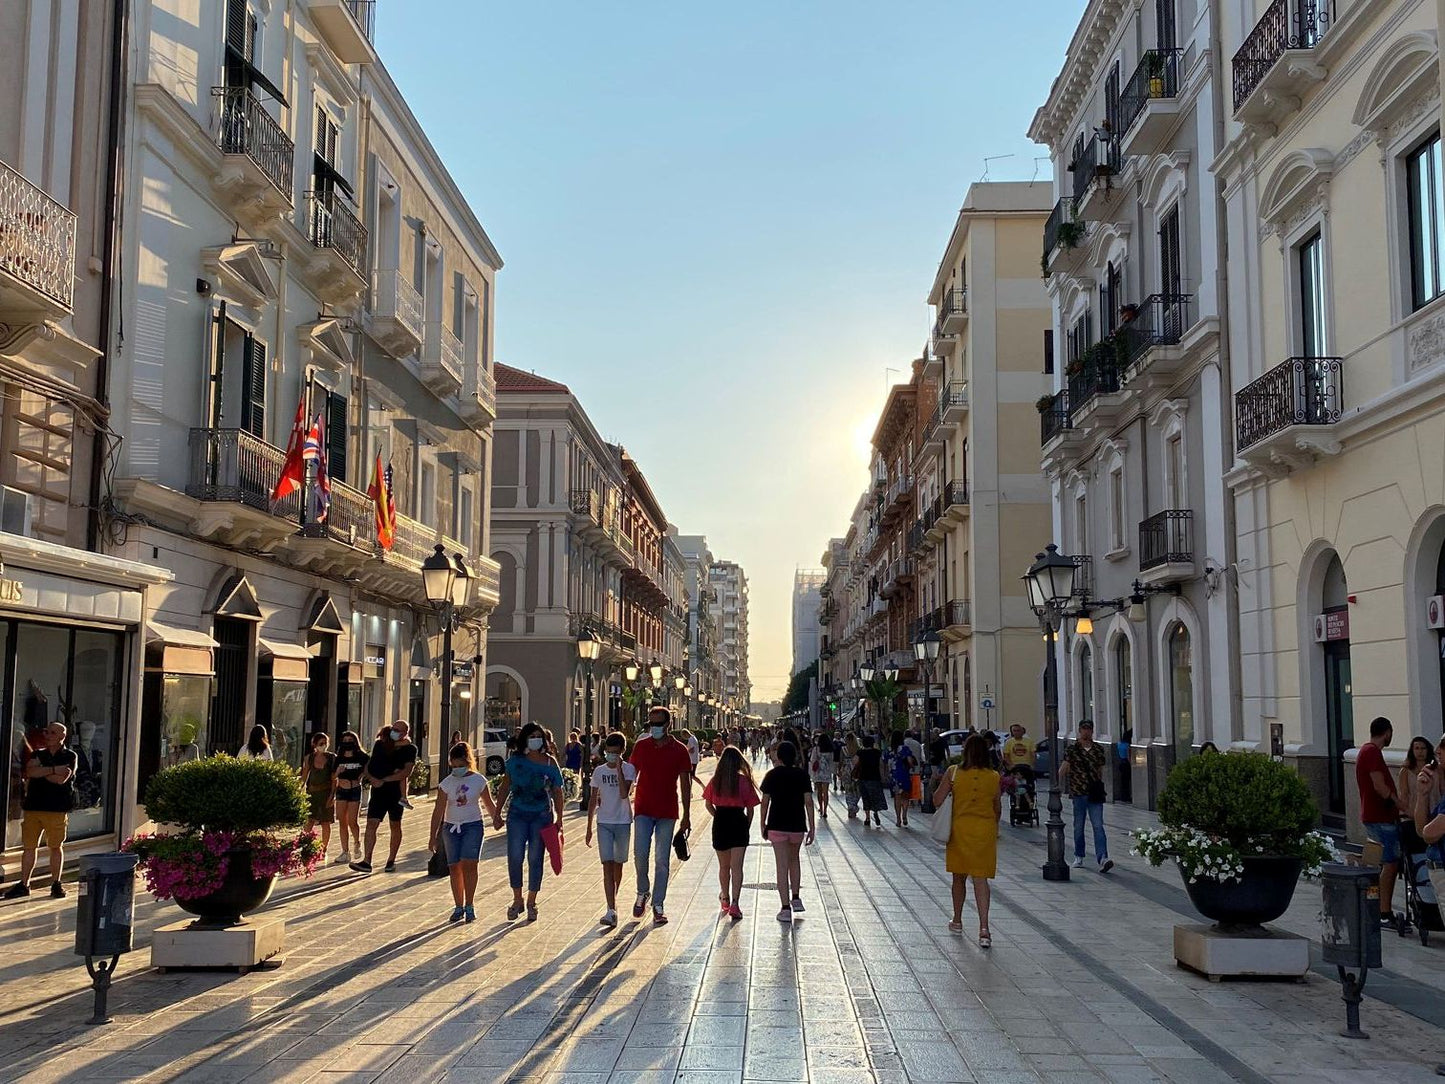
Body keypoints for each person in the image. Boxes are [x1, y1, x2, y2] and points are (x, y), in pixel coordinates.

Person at [933, 733, 1001, 946]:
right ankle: (984, 928)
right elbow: (997, 808)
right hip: (984, 832)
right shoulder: (994, 777)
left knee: (959, 878)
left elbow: (936, 800)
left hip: (959, 831)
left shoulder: (953, 773)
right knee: (981, 880)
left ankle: (958, 919)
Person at [628, 707, 693, 925]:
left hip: (667, 811)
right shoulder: (641, 746)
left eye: (658, 724)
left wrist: (687, 815)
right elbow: (630, 774)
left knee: (662, 860)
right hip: (643, 809)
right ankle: (642, 891)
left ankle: (658, 903)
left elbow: (685, 783)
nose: (654, 727)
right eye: (651, 723)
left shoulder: (680, 750)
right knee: (640, 854)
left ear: (668, 725)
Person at [496, 722, 565, 922]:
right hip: (517, 813)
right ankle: (517, 899)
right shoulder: (515, 761)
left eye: (538, 736)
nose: (535, 739)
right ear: (525, 739)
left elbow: (557, 791)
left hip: (541, 816)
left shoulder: (550, 763)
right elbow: (505, 785)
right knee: (515, 856)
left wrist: (560, 818)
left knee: (535, 858)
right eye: (531, 736)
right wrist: (497, 812)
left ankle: (531, 900)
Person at [429, 741, 499, 923]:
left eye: (461, 765)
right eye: (454, 766)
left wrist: (496, 819)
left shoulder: (478, 781)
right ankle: (458, 905)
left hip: (472, 825)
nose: (457, 769)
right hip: (451, 827)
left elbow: (489, 804)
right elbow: (438, 809)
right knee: (454, 866)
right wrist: (432, 836)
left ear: (468, 762)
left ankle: (470, 904)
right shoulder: (446, 784)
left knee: (469, 864)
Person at [4, 722, 75, 899]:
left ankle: (56, 883)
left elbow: (62, 779)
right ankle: (24, 883)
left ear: (61, 736)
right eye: (46, 731)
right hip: (34, 806)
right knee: (29, 847)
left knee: (55, 846)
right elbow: (30, 773)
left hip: (56, 808)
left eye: (51, 732)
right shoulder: (37, 753)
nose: (47, 735)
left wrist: (41, 770)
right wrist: (52, 770)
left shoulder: (70, 755)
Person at [349, 721, 417, 874]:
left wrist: (385, 779)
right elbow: (370, 764)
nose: (394, 732)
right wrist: (372, 778)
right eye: (393, 728)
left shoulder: (409, 749)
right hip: (378, 791)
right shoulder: (381, 745)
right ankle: (367, 861)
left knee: (395, 824)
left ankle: (391, 860)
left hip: (395, 793)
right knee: (371, 823)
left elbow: (406, 772)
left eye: (398, 730)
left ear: (405, 732)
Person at [760, 740, 815, 923]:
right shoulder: (802, 775)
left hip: (776, 824)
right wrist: (812, 826)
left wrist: (762, 823)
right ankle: (796, 897)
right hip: (797, 825)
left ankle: (785, 908)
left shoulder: (771, 775)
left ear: (780, 756)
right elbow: (808, 801)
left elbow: (765, 802)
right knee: (794, 860)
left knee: (781, 866)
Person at [585, 732, 635, 928]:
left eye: (615, 752)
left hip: (622, 821)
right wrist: (589, 826)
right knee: (607, 864)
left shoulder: (630, 769)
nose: (611, 756)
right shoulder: (599, 771)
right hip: (604, 821)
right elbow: (592, 798)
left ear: (622, 751)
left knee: (618, 865)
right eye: (608, 752)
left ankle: (613, 900)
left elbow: (624, 793)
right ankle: (611, 908)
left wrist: (620, 770)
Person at [703, 745, 759, 921]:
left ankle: (725, 898)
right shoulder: (744, 782)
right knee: (737, 867)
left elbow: (707, 804)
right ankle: (735, 903)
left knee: (723, 866)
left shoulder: (716, 780)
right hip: (738, 822)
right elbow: (751, 810)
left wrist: (717, 816)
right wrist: (746, 826)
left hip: (721, 821)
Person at [1355, 716, 1401, 926]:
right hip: (1380, 817)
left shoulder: (1365, 751)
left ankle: (1370, 906)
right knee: (1389, 864)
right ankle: (1384, 911)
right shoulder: (1372, 752)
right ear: (1388, 733)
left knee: (1373, 864)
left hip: (1372, 816)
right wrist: (1399, 803)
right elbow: (1380, 787)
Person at [1058, 720, 1113, 873]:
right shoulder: (1072, 749)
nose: (1086, 732)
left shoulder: (1098, 749)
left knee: (1098, 826)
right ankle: (1079, 855)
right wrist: (1058, 784)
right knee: (1078, 826)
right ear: (1079, 730)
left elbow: (1100, 770)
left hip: (1094, 794)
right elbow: (1065, 767)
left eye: (1089, 729)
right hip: (1078, 792)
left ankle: (1103, 858)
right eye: (1084, 729)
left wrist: (1099, 786)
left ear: (1092, 731)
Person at [299, 732, 337, 858]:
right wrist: (298, 790)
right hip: (312, 793)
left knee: (325, 822)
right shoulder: (309, 758)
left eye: (325, 743)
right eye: (321, 743)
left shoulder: (332, 758)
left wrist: (332, 796)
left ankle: (323, 848)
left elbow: (334, 779)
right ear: (314, 744)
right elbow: (304, 776)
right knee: (309, 820)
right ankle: (304, 846)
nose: (323, 746)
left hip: (326, 793)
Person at [333, 730, 367, 865]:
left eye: (350, 741)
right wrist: (337, 772)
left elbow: (368, 766)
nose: (347, 743)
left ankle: (357, 842)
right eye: (345, 741)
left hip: (354, 789)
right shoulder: (339, 757)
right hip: (342, 789)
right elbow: (333, 776)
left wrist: (362, 776)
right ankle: (345, 851)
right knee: (342, 821)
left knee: (352, 821)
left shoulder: (361, 756)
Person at [1399, 735, 1440, 833]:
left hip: (1434, 816)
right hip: (1411, 817)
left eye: (1423, 748)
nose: (1420, 751)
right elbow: (1404, 795)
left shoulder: (1437, 770)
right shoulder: (1405, 771)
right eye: (1416, 748)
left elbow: (1442, 790)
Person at [854, 734, 886, 827]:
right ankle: (875, 812)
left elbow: (854, 762)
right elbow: (881, 765)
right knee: (875, 796)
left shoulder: (860, 752)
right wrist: (883, 776)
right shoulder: (877, 752)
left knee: (865, 797)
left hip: (863, 777)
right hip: (875, 777)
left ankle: (867, 818)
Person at [889, 732, 916, 828]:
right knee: (905, 796)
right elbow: (909, 761)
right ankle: (904, 814)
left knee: (897, 797)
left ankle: (898, 819)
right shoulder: (904, 749)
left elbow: (885, 762)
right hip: (904, 774)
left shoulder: (889, 750)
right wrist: (912, 766)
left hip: (894, 776)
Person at [809, 732, 834, 820]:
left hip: (818, 772)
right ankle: (825, 810)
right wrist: (833, 771)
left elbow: (812, 760)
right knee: (826, 792)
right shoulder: (830, 750)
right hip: (826, 772)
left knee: (819, 792)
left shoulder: (816, 749)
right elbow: (831, 762)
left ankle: (821, 807)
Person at [838, 733, 859, 819]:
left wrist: (839, 771)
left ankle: (851, 808)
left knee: (848, 791)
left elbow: (841, 761)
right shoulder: (858, 749)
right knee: (857, 791)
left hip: (846, 771)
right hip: (856, 772)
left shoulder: (843, 749)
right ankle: (854, 806)